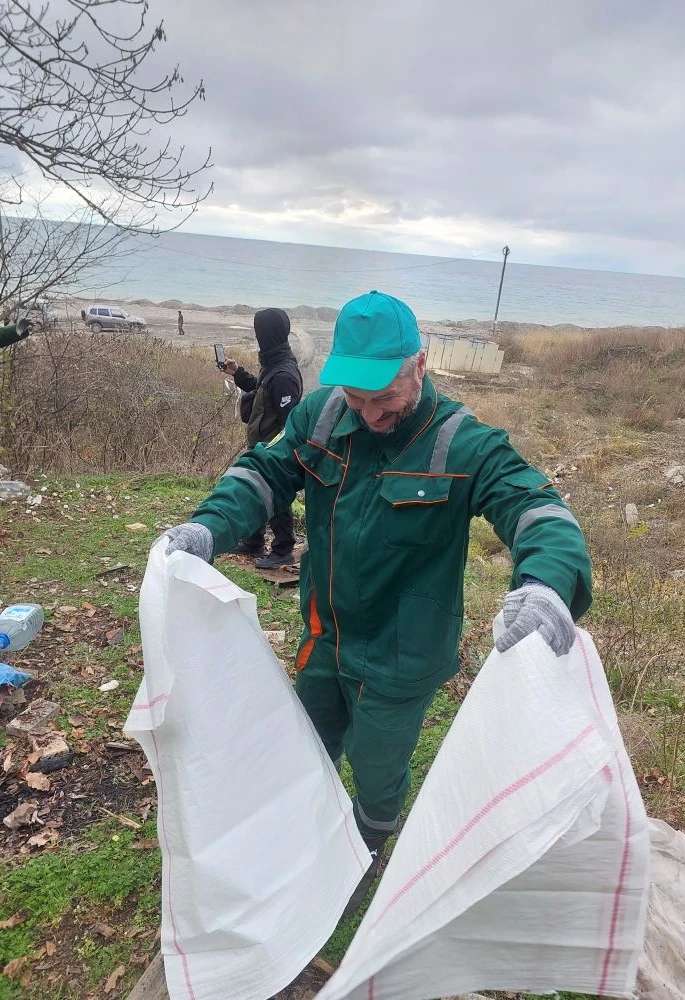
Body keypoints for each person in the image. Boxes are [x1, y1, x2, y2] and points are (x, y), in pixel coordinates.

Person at [162, 290, 592, 914]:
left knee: (378, 765)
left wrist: (547, 584)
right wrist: (207, 528)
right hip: (325, 637)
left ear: (419, 365)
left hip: (402, 655)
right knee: (306, 742)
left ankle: (368, 844)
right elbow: (263, 472)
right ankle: (306, 829)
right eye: (356, 398)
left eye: (384, 398)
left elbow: (539, 510)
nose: (369, 415)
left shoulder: (463, 443)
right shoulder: (321, 414)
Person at [223, 307, 303, 567]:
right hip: (261, 446)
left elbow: (290, 421)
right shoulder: (274, 364)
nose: (257, 337)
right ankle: (254, 541)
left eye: (259, 332)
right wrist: (237, 373)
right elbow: (261, 390)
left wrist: (279, 453)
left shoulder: (283, 374)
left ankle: (283, 549)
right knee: (254, 491)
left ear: (266, 335)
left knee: (276, 495)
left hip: (273, 450)